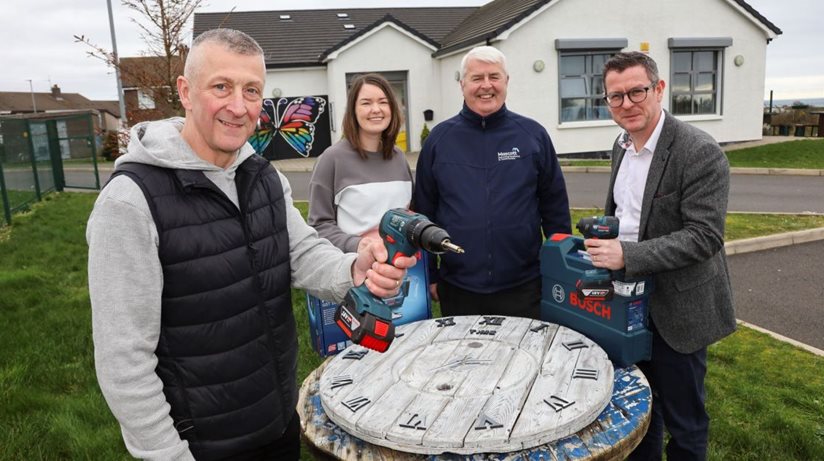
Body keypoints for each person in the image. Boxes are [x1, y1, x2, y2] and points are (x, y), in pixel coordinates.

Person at [86, 29, 414, 461]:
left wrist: (356, 267)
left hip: (276, 420)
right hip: (198, 444)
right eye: (221, 86)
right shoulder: (129, 202)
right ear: (185, 92)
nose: (238, 107)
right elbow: (123, 359)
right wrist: (166, 453)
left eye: (252, 90)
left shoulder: (263, 176)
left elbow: (302, 254)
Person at [584, 51, 735, 460]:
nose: (627, 103)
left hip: (679, 306)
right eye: (615, 96)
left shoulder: (698, 151)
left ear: (659, 89)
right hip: (628, 298)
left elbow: (704, 237)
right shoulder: (621, 144)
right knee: (638, 407)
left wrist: (626, 254)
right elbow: (628, 215)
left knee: (685, 422)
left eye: (637, 91)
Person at [413, 45, 571, 320]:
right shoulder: (439, 140)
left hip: (524, 286)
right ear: (462, 84)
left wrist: (560, 273)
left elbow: (555, 209)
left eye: (494, 77)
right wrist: (431, 275)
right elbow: (424, 214)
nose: (486, 86)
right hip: (458, 287)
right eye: (477, 78)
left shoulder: (532, 136)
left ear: (506, 81)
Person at [308, 73, 412, 251]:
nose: (376, 109)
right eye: (366, 103)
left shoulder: (399, 158)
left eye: (383, 102)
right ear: (353, 111)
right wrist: (359, 246)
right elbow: (319, 226)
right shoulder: (332, 159)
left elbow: (410, 213)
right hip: (356, 270)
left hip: (406, 269)